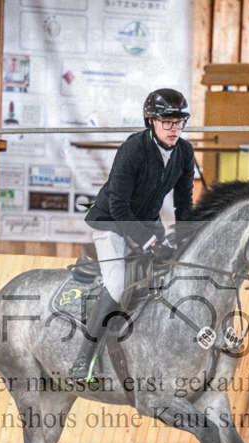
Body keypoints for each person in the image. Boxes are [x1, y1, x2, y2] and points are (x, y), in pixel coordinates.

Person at [69, 88, 196, 380]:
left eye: (179, 123)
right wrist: (151, 242)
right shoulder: (133, 149)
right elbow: (119, 206)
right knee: (117, 284)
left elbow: (183, 203)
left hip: (147, 222)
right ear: (151, 121)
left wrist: (186, 239)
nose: (174, 129)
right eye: (167, 122)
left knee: (169, 274)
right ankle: (83, 359)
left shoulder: (185, 152)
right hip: (111, 222)